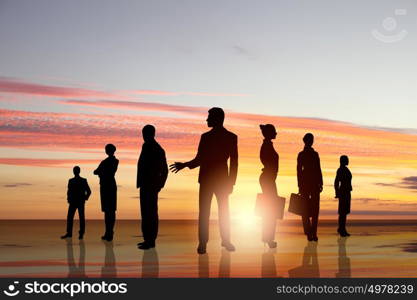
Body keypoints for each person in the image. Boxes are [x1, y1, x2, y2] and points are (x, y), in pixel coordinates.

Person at [170, 107, 238, 254]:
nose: (206, 120)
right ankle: (203, 243)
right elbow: (199, 159)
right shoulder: (205, 137)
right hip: (207, 179)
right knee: (205, 212)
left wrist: (231, 182)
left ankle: (225, 240)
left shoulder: (231, 137)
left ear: (217, 118)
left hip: (221, 181)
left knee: (223, 211)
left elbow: (234, 162)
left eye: (209, 117)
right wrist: (185, 165)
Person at [136, 125, 168, 250]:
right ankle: (147, 239)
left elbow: (164, 170)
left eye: (145, 134)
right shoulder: (146, 146)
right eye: (143, 134)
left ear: (151, 134)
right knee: (145, 212)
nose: (143, 136)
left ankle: (151, 240)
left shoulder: (157, 149)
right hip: (144, 184)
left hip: (151, 185)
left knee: (151, 213)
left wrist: (159, 185)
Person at [297, 133, 323, 242]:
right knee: (306, 209)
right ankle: (309, 232)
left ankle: (312, 232)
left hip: (312, 184)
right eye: (310, 139)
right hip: (306, 184)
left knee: (312, 209)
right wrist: (300, 185)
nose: (311, 141)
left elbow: (318, 169)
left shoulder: (314, 154)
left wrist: (320, 183)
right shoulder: (302, 154)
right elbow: (299, 170)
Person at [259, 124, 279, 248]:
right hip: (268, 179)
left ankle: (268, 237)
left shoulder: (268, 145)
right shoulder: (266, 146)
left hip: (268, 178)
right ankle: (268, 238)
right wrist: (268, 168)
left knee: (271, 208)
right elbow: (265, 160)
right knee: (271, 209)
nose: (276, 133)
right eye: (274, 131)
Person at [94, 144, 119, 241]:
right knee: (108, 210)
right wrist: (101, 172)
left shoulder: (108, 162)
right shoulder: (108, 161)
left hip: (108, 186)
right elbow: (96, 172)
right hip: (107, 185)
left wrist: (101, 172)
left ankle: (109, 232)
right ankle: (108, 232)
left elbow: (98, 171)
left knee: (110, 210)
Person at [61, 166, 91, 240]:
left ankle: (81, 234)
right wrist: (68, 198)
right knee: (70, 217)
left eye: (75, 170)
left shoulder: (83, 180)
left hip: (80, 201)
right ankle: (69, 233)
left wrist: (85, 198)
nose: (75, 171)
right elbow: (69, 191)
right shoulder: (71, 180)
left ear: (78, 171)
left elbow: (89, 191)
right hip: (73, 202)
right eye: (74, 170)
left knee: (81, 218)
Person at [334, 155, 352, 237]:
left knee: (344, 212)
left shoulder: (344, 169)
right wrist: (337, 192)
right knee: (342, 212)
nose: (348, 161)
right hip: (343, 192)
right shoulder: (341, 170)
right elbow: (336, 182)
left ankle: (341, 228)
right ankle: (342, 229)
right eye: (347, 160)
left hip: (347, 191)